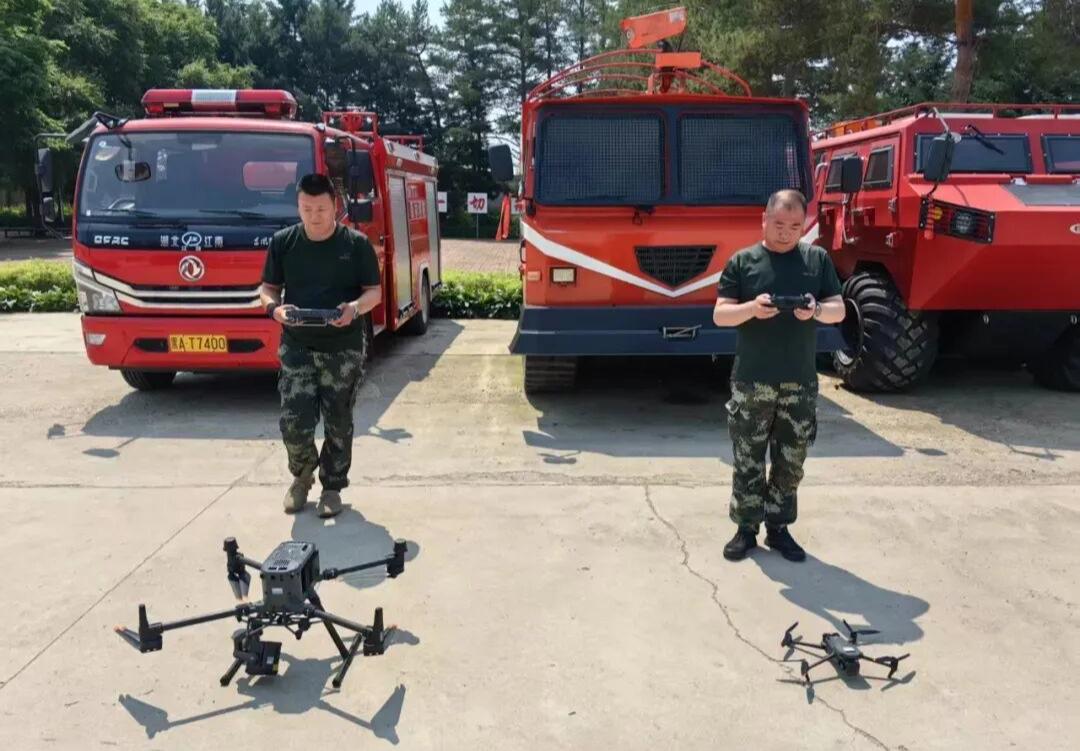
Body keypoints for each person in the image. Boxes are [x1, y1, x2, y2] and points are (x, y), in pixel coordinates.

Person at [713, 189, 845, 562]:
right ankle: (745, 529)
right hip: (752, 379)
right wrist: (752, 308)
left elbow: (838, 310)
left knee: (791, 460)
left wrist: (815, 310)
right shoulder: (744, 261)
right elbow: (720, 315)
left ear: (803, 225)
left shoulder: (816, 260)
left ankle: (779, 528)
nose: (786, 232)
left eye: (795, 226)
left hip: (799, 381)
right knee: (748, 458)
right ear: (764, 220)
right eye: (779, 223)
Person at [259, 173, 382, 517]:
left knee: (338, 421)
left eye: (321, 209)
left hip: (342, 347)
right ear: (298, 207)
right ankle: (301, 478)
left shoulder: (355, 245)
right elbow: (267, 289)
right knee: (294, 422)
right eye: (306, 209)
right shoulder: (283, 243)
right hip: (297, 345)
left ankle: (332, 488)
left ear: (335, 206)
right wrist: (275, 309)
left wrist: (354, 308)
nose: (314, 216)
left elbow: (374, 292)